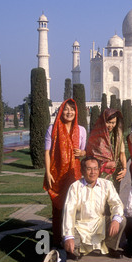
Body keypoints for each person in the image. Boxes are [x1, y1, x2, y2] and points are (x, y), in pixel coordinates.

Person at [62, 157, 126, 260]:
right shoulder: (75, 187)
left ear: (99, 170)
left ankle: (111, 248)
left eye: (95, 168)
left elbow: (117, 204)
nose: (93, 172)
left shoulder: (106, 184)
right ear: (82, 170)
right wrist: (69, 237)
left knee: (121, 220)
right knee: (72, 249)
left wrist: (115, 220)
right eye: (89, 169)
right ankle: (77, 249)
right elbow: (69, 212)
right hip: (80, 227)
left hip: (99, 224)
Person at [44, 98, 87, 247]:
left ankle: (71, 243)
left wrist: (82, 152)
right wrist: (47, 172)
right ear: (61, 110)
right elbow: (47, 152)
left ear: (76, 112)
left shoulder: (81, 130)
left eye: (72, 109)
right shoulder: (53, 128)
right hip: (56, 174)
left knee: (73, 208)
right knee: (58, 209)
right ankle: (57, 241)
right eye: (66, 109)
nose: (69, 112)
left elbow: (84, 151)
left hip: (73, 174)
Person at [86, 108, 127, 195]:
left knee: (113, 198)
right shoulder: (96, 136)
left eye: (113, 123)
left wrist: (124, 168)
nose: (111, 126)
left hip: (116, 172)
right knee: (101, 199)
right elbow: (91, 157)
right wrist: (104, 165)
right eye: (108, 122)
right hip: (101, 173)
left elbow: (122, 153)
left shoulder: (118, 135)